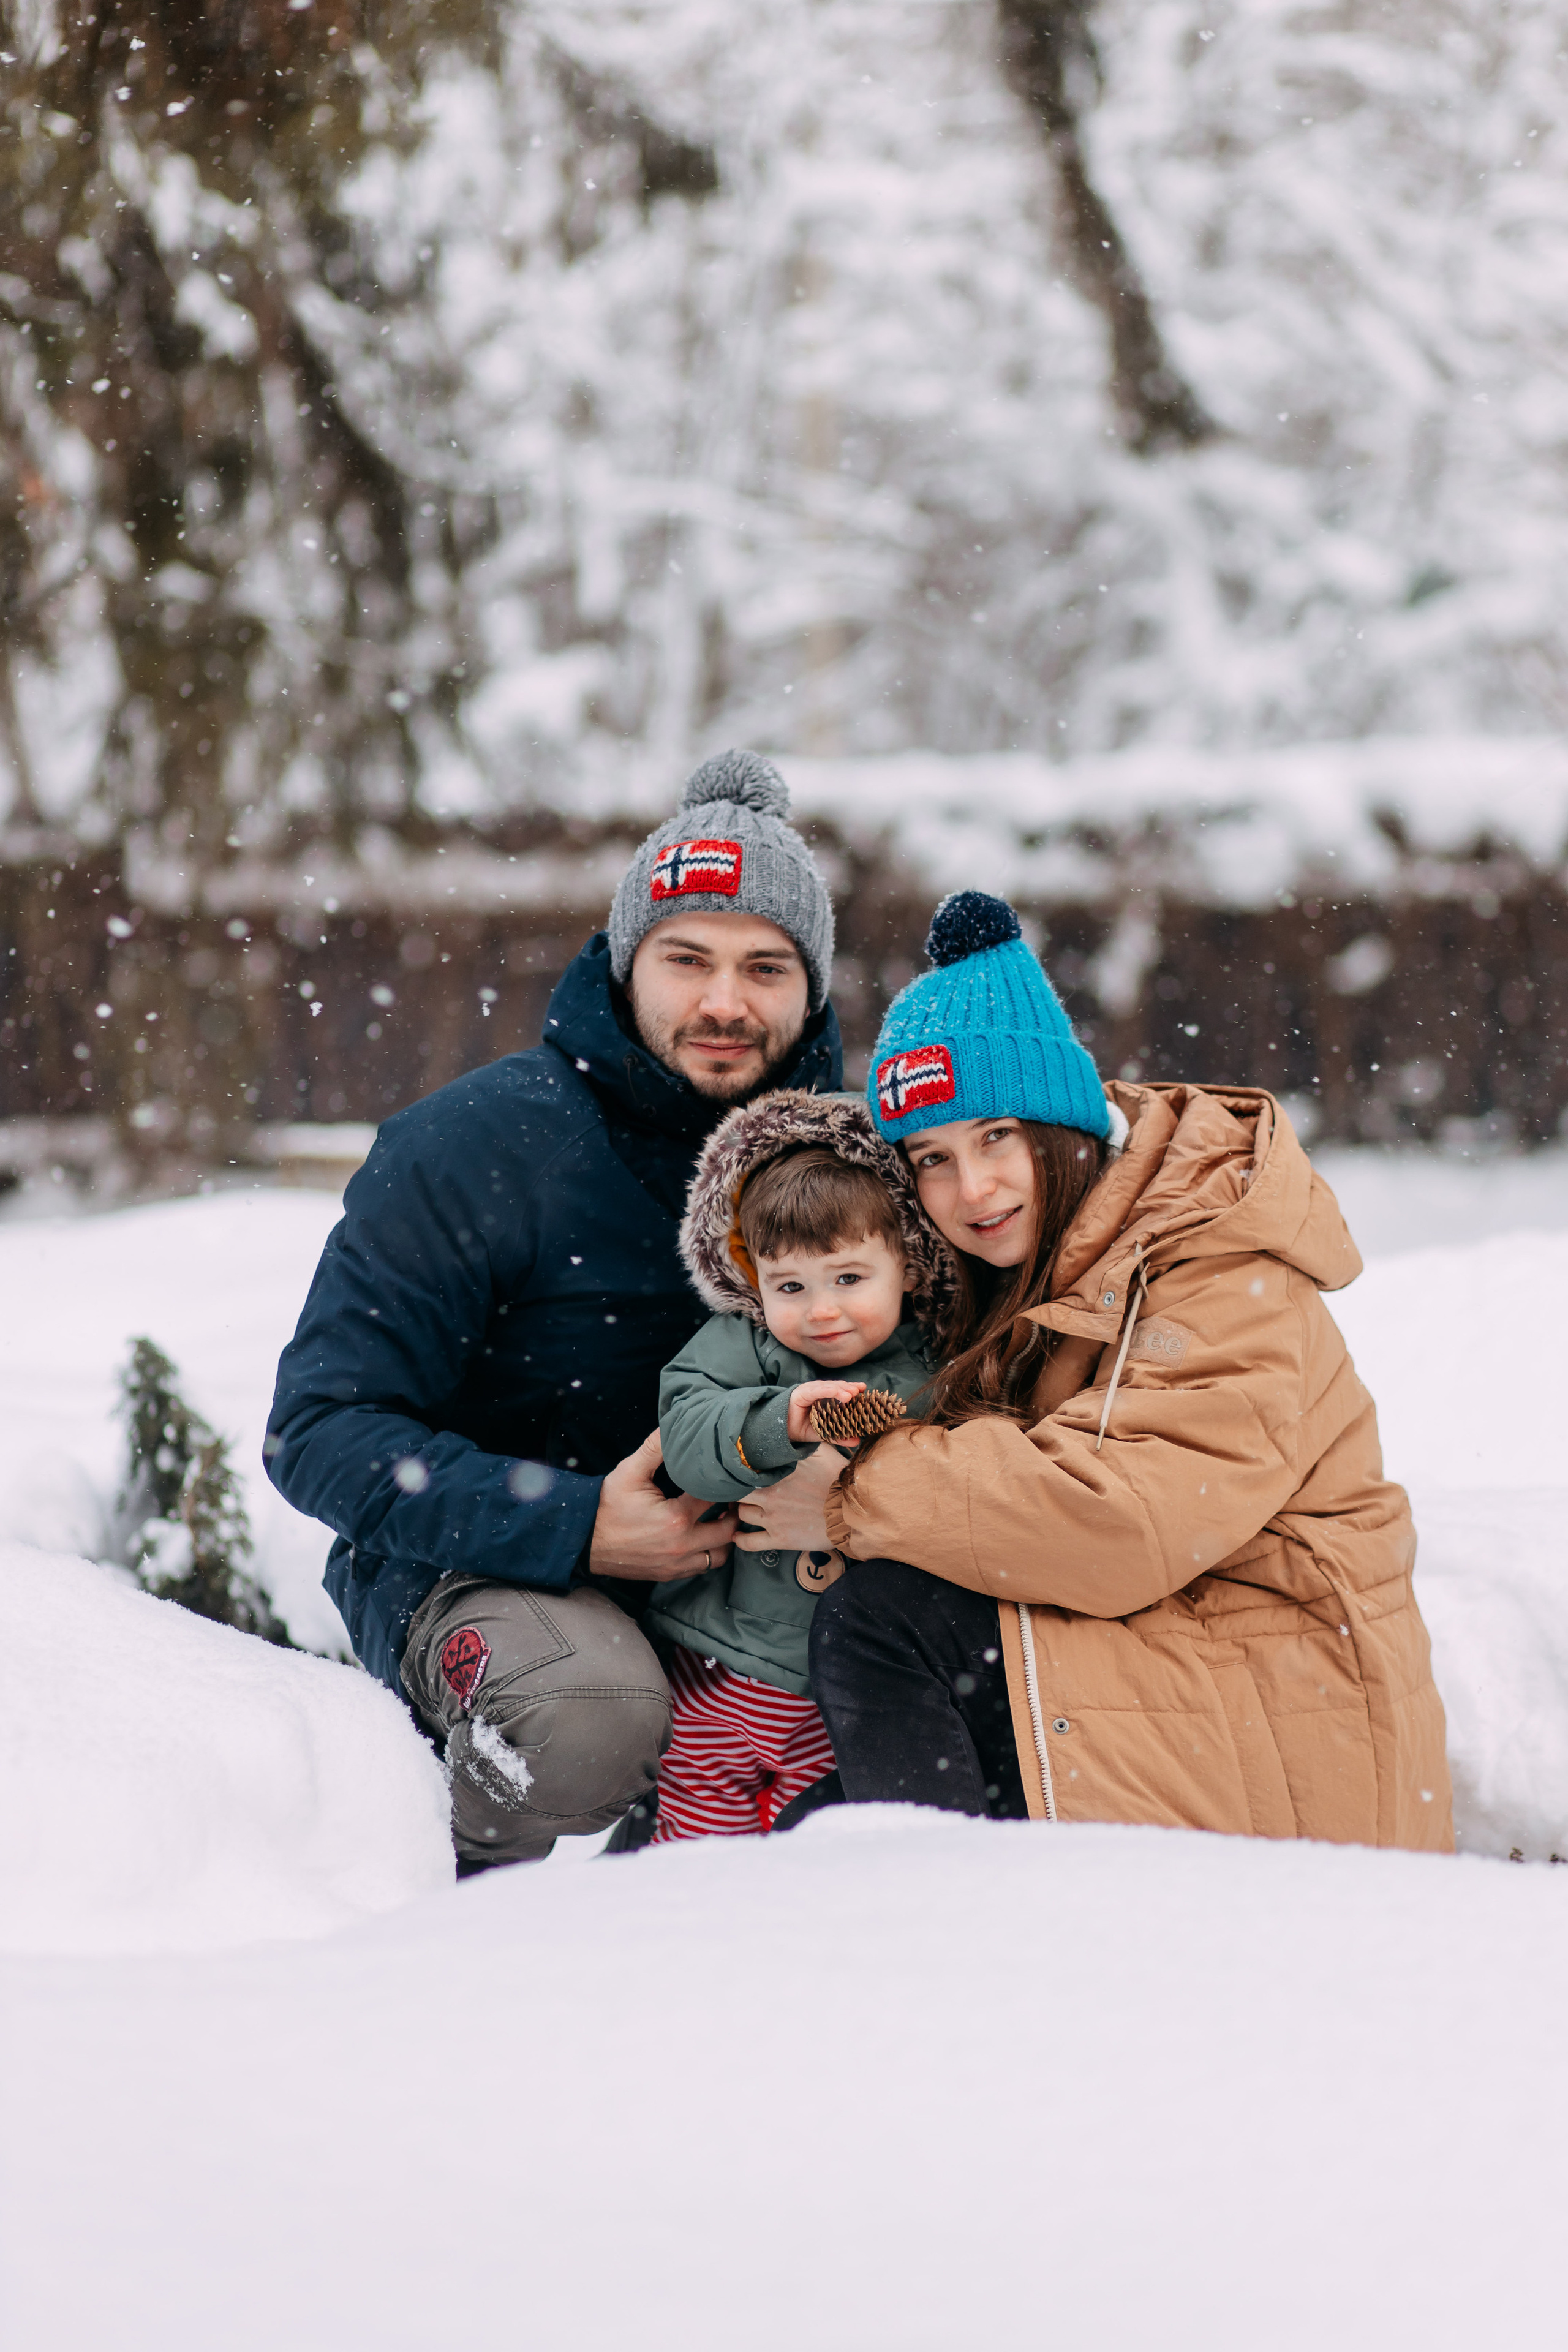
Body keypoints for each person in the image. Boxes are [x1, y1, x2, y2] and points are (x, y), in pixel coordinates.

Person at [739, 889, 1454, 1851]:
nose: (973, 1189)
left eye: (998, 1137)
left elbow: (1121, 1520)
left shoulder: (1214, 1263)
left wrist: (853, 1496)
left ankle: (931, 1928)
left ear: (1064, 1124)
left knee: (882, 1621)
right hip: (1171, 1655)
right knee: (805, 1835)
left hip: (1286, 1700)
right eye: (933, 1158)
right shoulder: (1039, 1264)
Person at [265, 750, 841, 1869]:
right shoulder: (477, 1147)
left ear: (812, 987)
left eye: (766, 967)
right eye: (688, 959)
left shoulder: (844, 1167)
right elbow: (321, 1428)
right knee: (593, 1717)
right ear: (627, 964)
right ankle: (452, 1907)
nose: (726, 1002)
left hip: (761, 1577)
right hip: (484, 1565)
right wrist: (574, 1523)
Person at [644, 1095, 951, 1841]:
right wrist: (777, 1423)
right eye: (791, 1286)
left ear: (907, 1268)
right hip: (718, 1668)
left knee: (807, 1858)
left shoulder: (940, 1372)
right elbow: (686, 1441)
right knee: (695, 1857)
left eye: (848, 1279)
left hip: (837, 1694)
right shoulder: (738, 1346)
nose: (820, 1311)